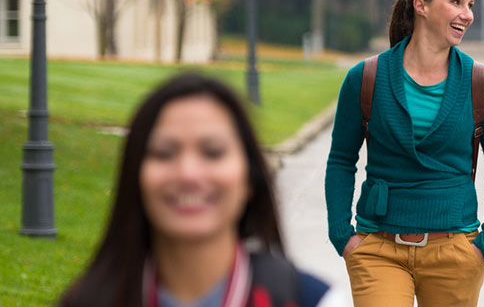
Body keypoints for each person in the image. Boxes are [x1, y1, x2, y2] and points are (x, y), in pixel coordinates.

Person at [324, 0, 484, 306]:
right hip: (378, 247)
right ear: (420, 5)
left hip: (455, 250)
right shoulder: (366, 77)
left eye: (470, 5)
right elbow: (341, 159)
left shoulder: (483, 83)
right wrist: (342, 234)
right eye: (456, 2)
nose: (467, 14)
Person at [59, 73, 330, 307]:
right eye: (164, 153)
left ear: (250, 177)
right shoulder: (85, 301)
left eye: (212, 153)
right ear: (135, 175)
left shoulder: (315, 301)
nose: (188, 173)